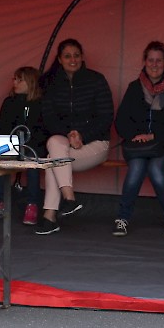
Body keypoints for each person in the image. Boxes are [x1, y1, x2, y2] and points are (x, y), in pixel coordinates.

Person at [112, 41, 164, 239]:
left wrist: (155, 136)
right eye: (151, 60)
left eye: (159, 60)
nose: (154, 64)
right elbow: (121, 121)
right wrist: (136, 136)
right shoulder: (134, 88)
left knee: (156, 169)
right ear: (144, 62)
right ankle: (122, 218)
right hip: (139, 147)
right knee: (137, 168)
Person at [35, 38, 114, 235]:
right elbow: (48, 117)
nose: (73, 60)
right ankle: (68, 199)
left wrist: (83, 135)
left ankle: (51, 215)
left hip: (96, 143)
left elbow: (106, 116)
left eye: (76, 55)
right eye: (67, 56)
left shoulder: (96, 80)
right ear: (60, 60)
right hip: (64, 143)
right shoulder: (50, 84)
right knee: (54, 143)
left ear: (82, 57)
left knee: (52, 160)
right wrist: (70, 135)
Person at [0, 66, 44, 226]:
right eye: (15, 79)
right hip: (11, 144)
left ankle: (32, 205)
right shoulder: (9, 102)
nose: (15, 82)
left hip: (33, 146)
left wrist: (28, 141)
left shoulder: (40, 103)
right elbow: (1, 126)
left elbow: (43, 129)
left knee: (32, 162)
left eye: (20, 79)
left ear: (30, 82)